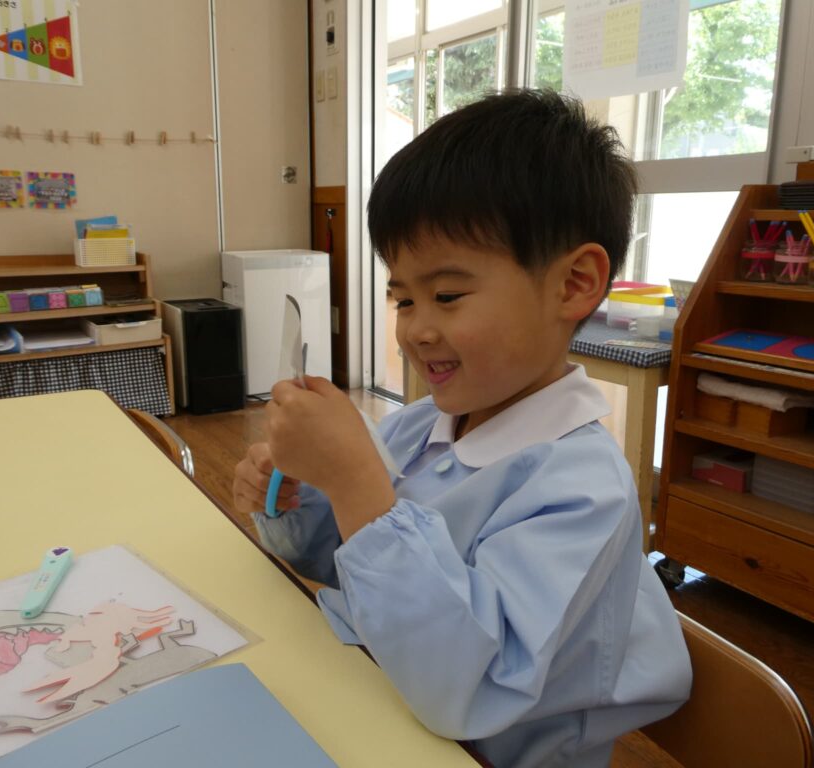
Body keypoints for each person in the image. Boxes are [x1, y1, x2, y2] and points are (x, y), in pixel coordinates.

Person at [233, 89, 691, 768]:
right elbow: (345, 562)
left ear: (574, 284)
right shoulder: (420, 427)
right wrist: (294, 495)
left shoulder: (583, 489)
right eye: (403, 298)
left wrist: (356, 481)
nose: (416, 329)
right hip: (369, 703)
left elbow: (466, 689)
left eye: (446, 295)